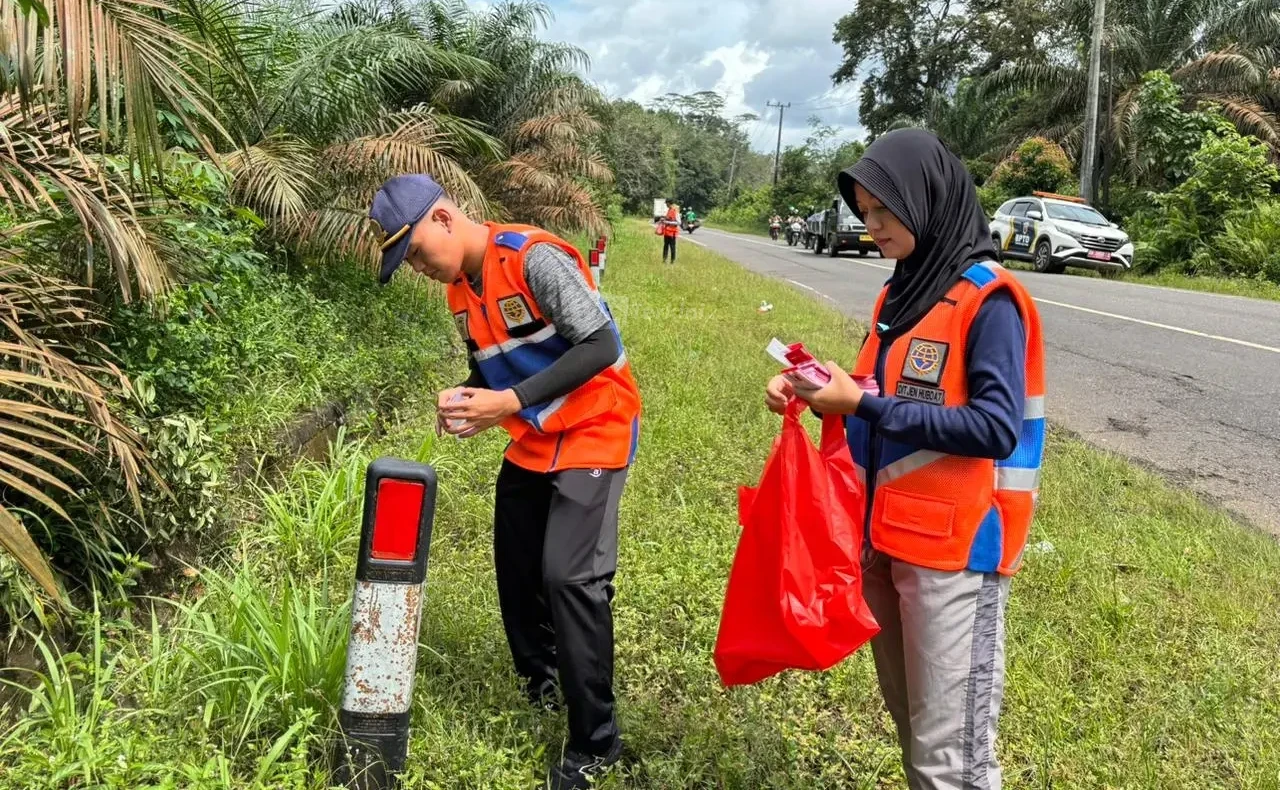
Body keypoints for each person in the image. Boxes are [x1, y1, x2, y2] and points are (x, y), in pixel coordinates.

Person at [764, 129, 1045, 790]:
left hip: (957, 555)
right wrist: (820, 393)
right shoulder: (900, 294)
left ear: (928, 199)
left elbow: (994, 427)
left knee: (952, 753)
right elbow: (879, 393)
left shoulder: (989, 299)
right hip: (885, 541)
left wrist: (860, 406)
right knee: (914, 727)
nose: (872, 225)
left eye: (884, 210)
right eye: (864, 212)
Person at [369, 174, 641, 790]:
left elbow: (601, 345)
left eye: (413, 251)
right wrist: (470, 399)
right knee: (516, 567)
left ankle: (596, 743)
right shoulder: (461, 292)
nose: (416, 267)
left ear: (442, 219)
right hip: (535, 440)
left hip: (595, 426)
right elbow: (489, 368)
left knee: (570, 578)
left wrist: (509, 400)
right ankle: (541, 680)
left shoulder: (532, 257)